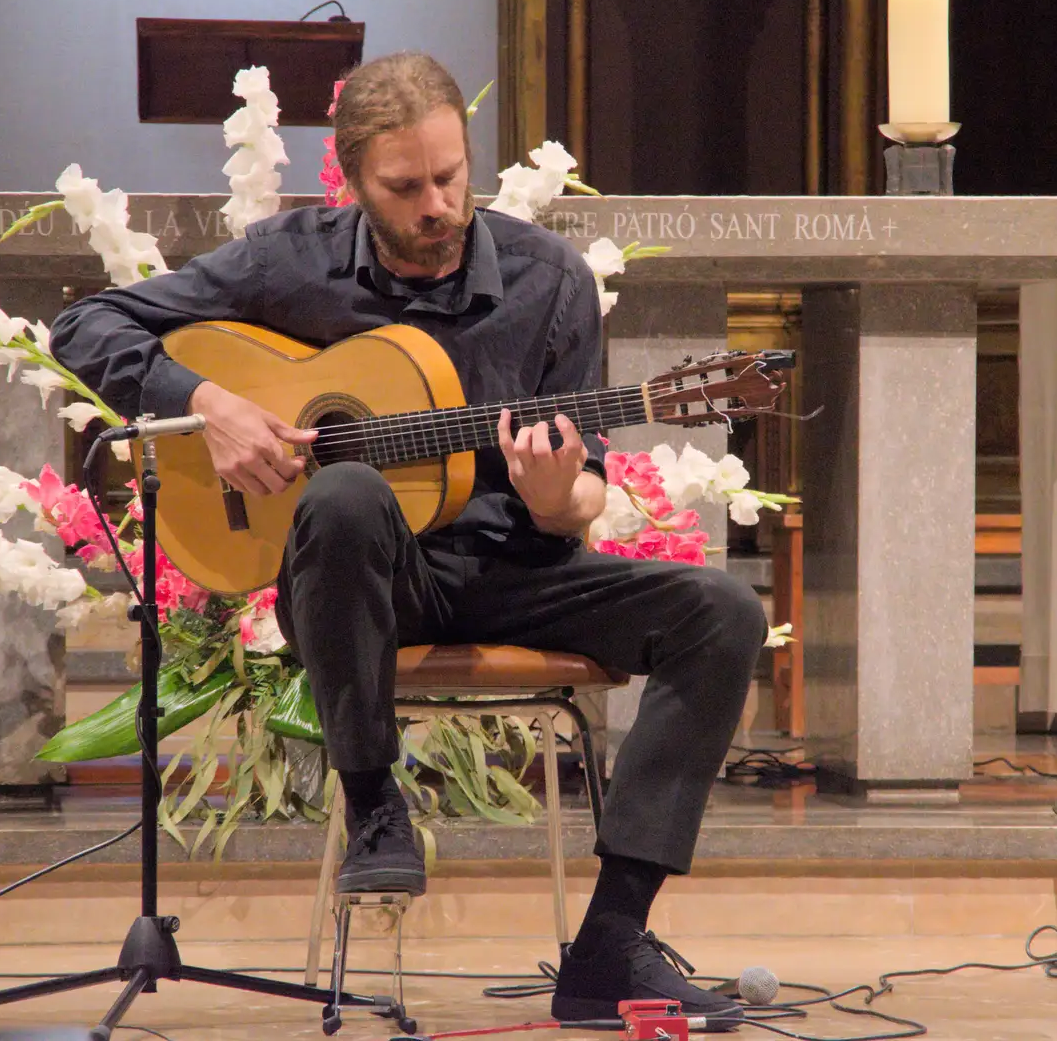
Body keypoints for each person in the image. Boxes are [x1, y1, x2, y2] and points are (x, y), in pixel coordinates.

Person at [49, 51, 765, 1025]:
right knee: (345, 493)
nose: (435, 205)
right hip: (358, 586)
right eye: (405, 187)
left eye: (449, 177)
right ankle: (375, 803)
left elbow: (580, 484)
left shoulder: (545, 279)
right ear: (353, 182)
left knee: (721, 612)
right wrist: (207, 403)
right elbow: (84, 328)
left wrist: (563, 497)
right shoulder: (286, 260)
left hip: (516, 571)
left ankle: (610, 945)